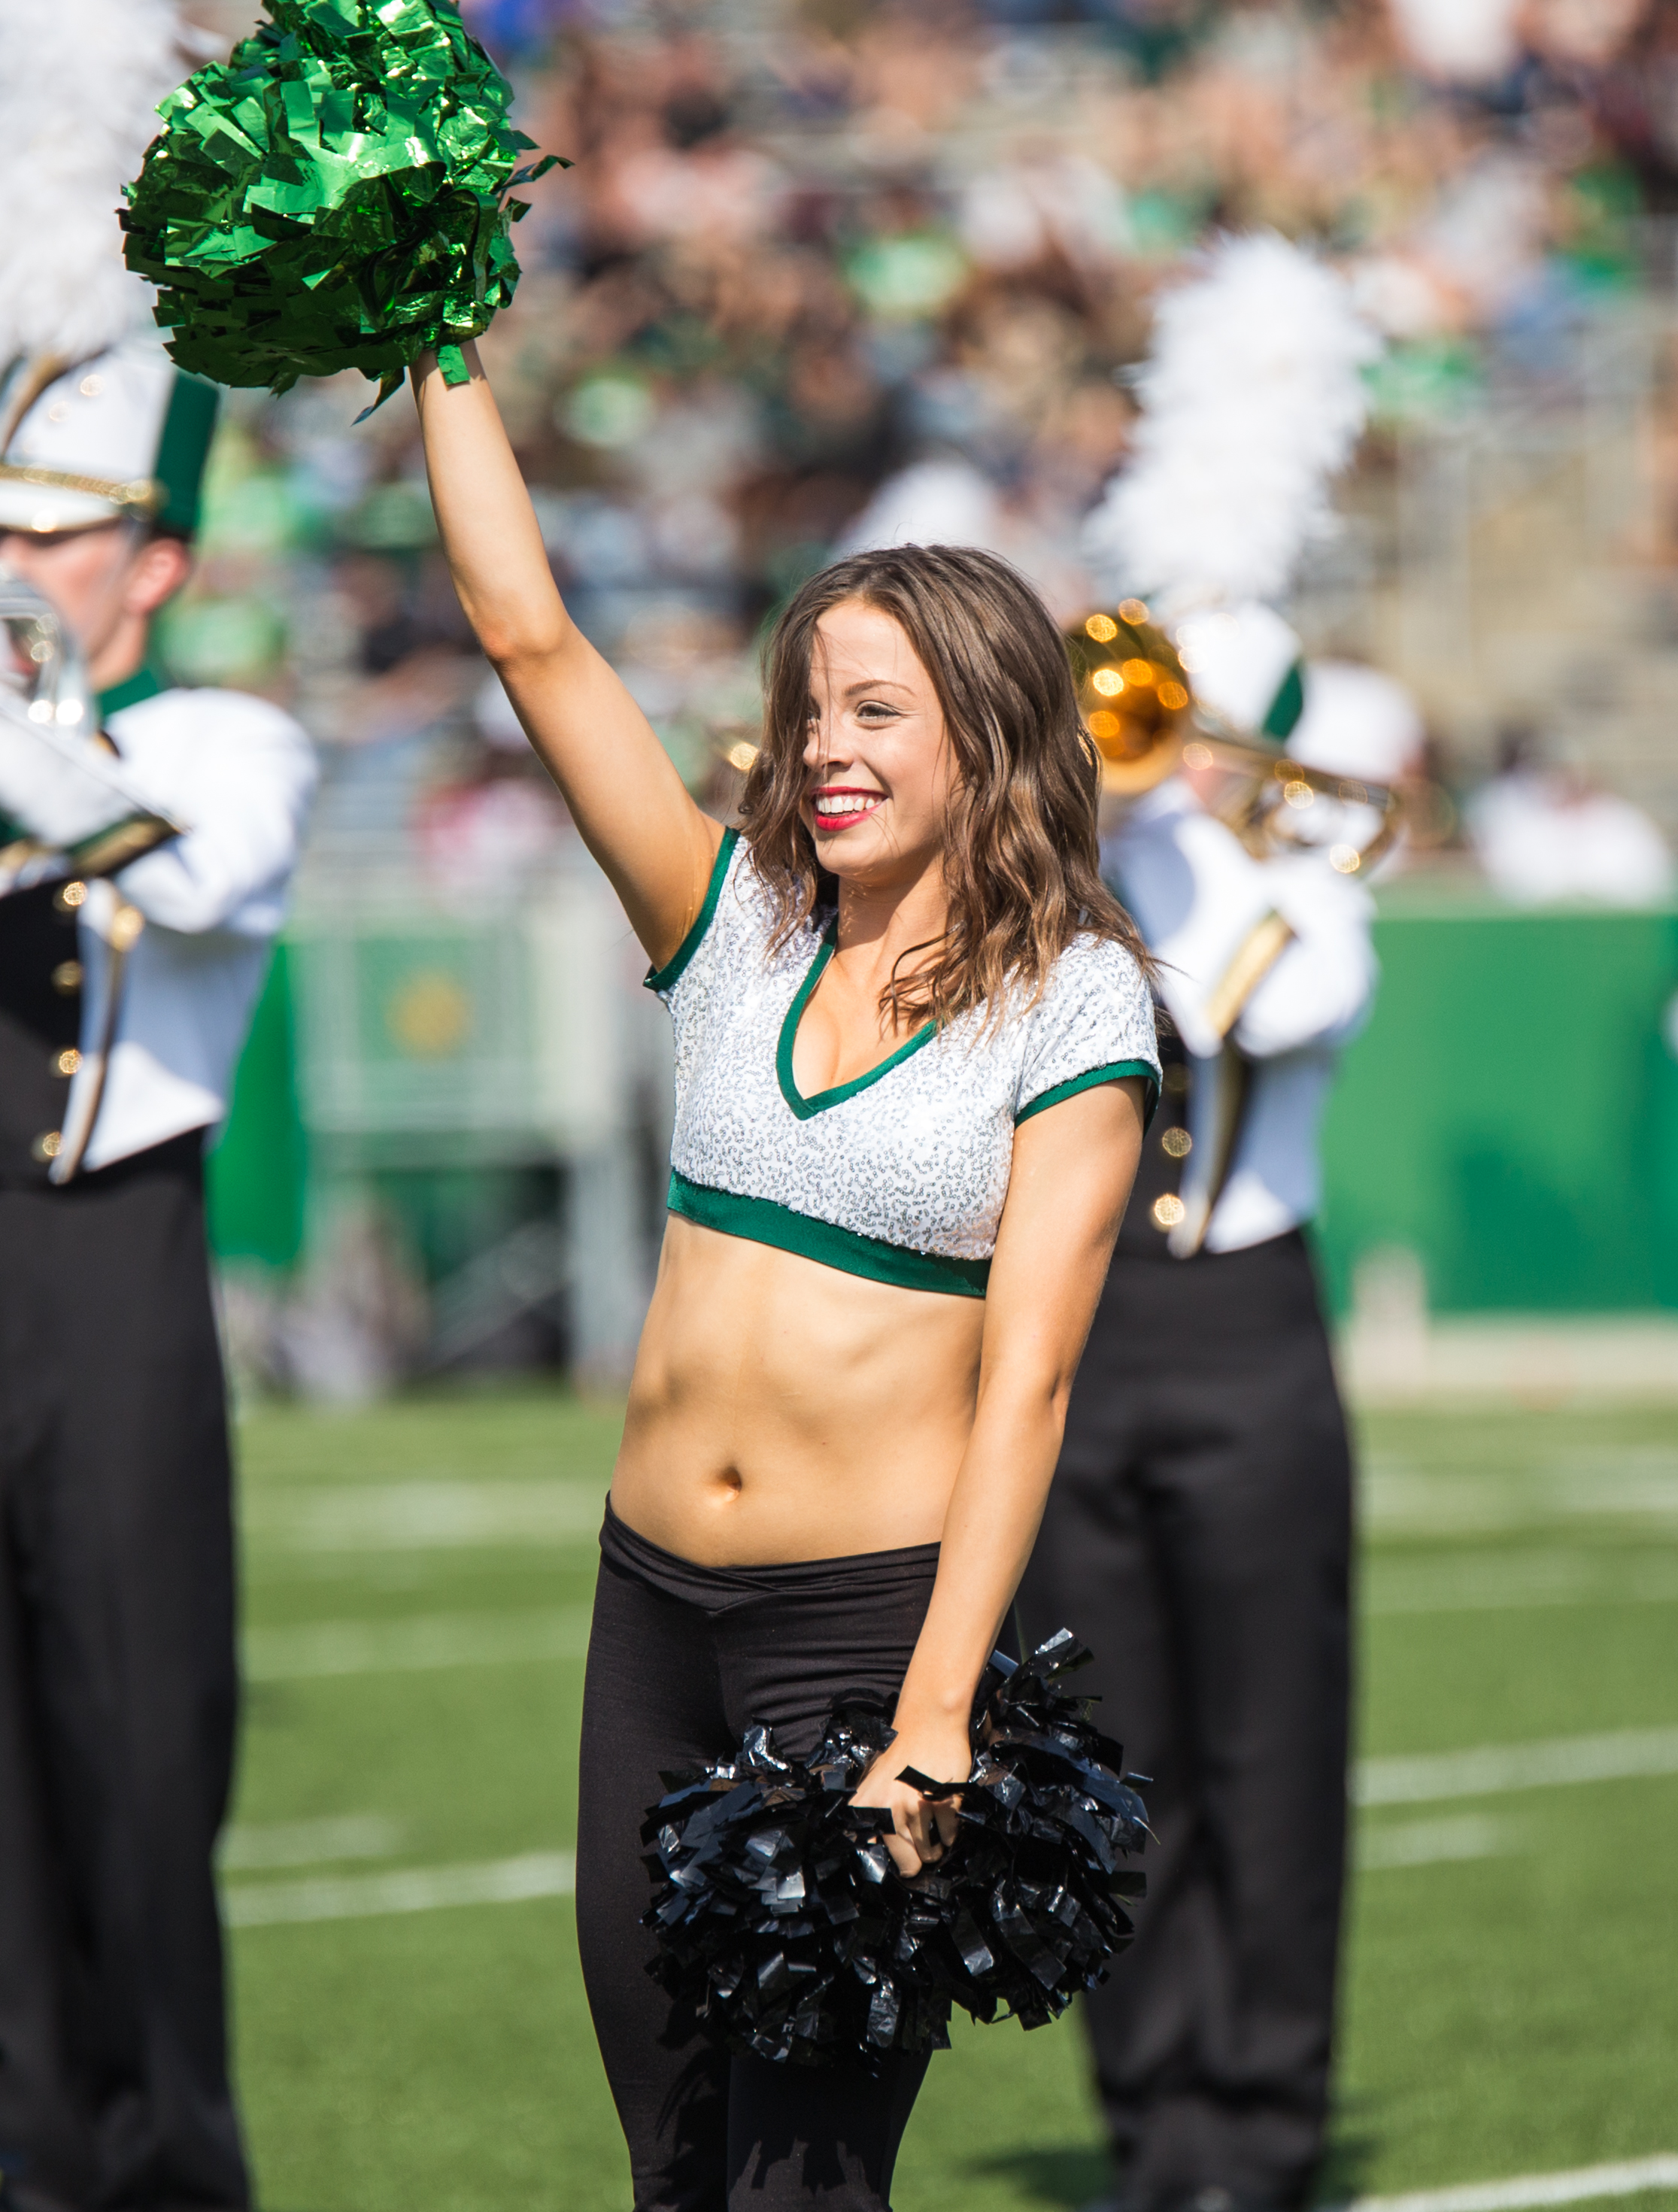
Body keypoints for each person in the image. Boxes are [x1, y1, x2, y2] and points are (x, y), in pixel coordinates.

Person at [410, 339, 1161, 2211]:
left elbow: (1029, 1385)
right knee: (672, 2174)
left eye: (879, 710)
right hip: (651, 1617)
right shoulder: (733, 926)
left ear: (989, 729)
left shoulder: (1074, 1000)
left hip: (864, 1641)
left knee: (799, 2190)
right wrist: (433, 318)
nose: (827, 746)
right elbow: (529, 638)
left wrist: (936, 1715)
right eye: (811, 707)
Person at [1019, 624, 1423, 2212]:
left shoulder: (1299, 888)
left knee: (1272, 1751)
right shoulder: (1055, 873)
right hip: (1078, 1337)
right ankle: (1154, 2125)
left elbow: (1278, 1006)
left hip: (1249, 1330)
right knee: (1103, 1752)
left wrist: (1197, 827)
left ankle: (1263, 2129)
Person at [0, 337, 317, 2212]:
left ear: (160, 561)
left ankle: (172, 2175)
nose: (17, 563)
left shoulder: (222, 739)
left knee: (135, 1747)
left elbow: (195, 881)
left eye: (57, 534)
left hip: (108, 1261)